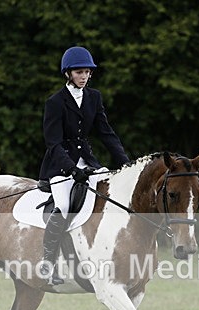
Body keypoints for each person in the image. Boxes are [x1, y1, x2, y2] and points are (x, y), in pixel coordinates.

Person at [38, 46, 130, 286]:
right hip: (60, 166)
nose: (85, 76)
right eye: (80, 72)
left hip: (88, 162)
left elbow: (106, 133)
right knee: (65, 205)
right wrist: (71, 170)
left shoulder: (94, 97)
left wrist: (126, 164)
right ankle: (48, 263)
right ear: (68, 73)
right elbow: (53, 143)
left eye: (88, 72)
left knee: (109, 198)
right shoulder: (55, 102)